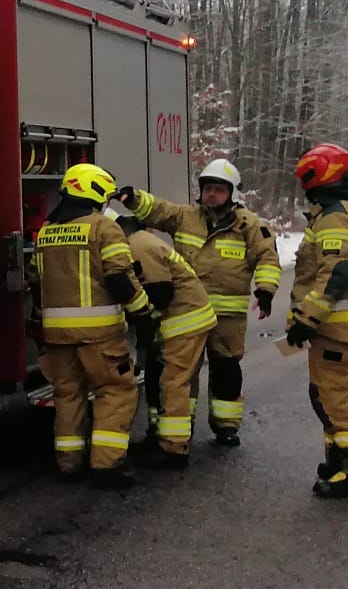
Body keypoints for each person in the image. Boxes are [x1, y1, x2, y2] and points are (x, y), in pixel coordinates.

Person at [115, 159, 282, 447]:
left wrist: (265, 291)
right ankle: (180, 425)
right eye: (207, 189)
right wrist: (134, 199)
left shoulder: (252, 226)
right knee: (182, 371)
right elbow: (158, 210)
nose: (211, 195)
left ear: (232, 193)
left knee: (226, 368)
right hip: (187, 313)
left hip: (227, 316)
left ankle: (226, 425)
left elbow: (267, 258)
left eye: (218, 189)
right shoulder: (186, 217)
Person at [30, 162, 157, 487]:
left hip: (57, 337)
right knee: (116, 391)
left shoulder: (46, 232)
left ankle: (69, 463)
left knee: (68, 395)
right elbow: (119, 277)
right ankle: (107, 465)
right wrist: (143, 314)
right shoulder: (103, 228)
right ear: (96, 192)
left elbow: (35, 281)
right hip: (99, 336)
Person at [286, 142, 348, 498]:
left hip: (335, 327)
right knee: (324, 395)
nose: (305, 188)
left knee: (337, 399)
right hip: (341, 326)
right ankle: (339, 458)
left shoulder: (336, 216)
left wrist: (306, 319)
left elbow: (334, 273)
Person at [117, 207, 218, 470]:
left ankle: (174, 449)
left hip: (185, 321)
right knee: (162, 378)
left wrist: (139, 315)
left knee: (174, 382)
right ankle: (161, 437)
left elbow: (160, 292)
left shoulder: (138, 245)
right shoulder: (136, 242)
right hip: (179, 320)